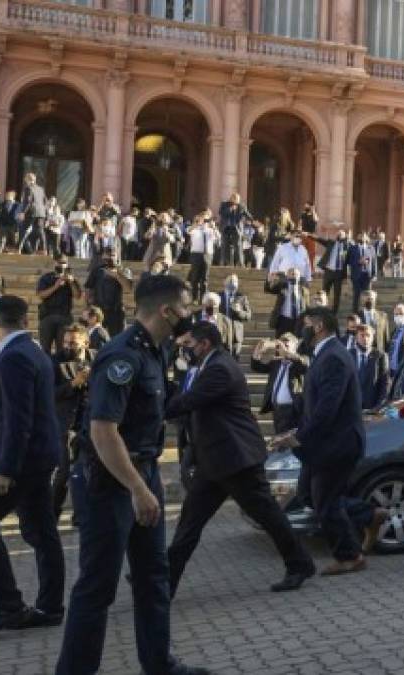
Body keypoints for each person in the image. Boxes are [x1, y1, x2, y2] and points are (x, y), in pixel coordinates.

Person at [56, 274, 209, 674]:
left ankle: (159, 664)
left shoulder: (155, 350)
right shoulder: (121, 355)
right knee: (98, 587)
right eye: (187, 306)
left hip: (142, 473)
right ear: (167, 311)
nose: (190, 314)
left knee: (153, 577)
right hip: (110, 482)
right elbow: (102, 432)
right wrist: (139, 490)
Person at [165, 321, 316, 595]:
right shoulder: (213, 364)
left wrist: (156, 408)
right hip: (216, 460)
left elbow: (188, 402)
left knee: (269, 515)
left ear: (205, 344)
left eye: (190, 345)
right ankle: (165, 579)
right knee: (190, 521)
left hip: (236, 459)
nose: (187, 350)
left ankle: (299, 564)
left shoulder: (220, 368)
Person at [0, 295, 65, 637]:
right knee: (42, 531)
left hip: (23, 463)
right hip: (38, 458)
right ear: (26, 320)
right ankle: (51, 607)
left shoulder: (11, 358)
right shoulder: (34, 352)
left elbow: (16, 421)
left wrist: (4, 470)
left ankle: (8, 605)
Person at [271, 306, 368, 576]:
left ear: (319, 326)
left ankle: (350, 556)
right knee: (308, 495)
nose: (302, 329)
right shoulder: (324, 353)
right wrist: (292, 432)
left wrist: (297, 437)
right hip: (322, 444)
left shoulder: (334, 357)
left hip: (337, 444)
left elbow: (327, 408)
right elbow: (314, 405)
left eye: (306, 323)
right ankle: (368, 514)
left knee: (326, 502)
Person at [51, 324, 92, 517]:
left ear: (86, 342)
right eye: (66, 342)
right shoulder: (54, 361)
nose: (68, 346)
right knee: (63, 473)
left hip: (90, 424)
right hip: (64, 424)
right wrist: (73, 384)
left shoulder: (97, 359)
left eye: (73, 343)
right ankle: (52, 512)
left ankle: (81, 513)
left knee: (86, 470)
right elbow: (49, 394)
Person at [252, 335, 306, 436]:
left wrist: (287, 354)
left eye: (287, 344)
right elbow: (257, 367)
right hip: (277, 410)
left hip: (292, 410)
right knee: (280, 441)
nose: (283, 348)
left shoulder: (298, 362)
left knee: (291, 442)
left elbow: (305, 365)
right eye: (281, 345)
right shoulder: (276, 362)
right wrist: (258, 350)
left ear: (295, 346)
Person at [36, 254, 82, 355]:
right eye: (59, 262)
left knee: (63, 349)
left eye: (64, 263)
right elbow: (41, 295)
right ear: (54, 263)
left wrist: (71, 283)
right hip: (47, 316)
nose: (61, 265)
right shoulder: (46, 278)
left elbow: (77, 296)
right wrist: (56, 286)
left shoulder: (72, 279)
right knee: (44, 349)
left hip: (64, 317)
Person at [84, 248, 133, 336]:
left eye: (112, 255)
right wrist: (88, 305)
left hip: (116, 311)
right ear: (103, 257)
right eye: (107, 255)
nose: (110, 258)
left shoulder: (124, 270)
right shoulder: (97, 271)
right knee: (97, 339)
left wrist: (117, 275)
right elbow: (88, 288)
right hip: (99, 311)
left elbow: (128, 288)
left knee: (118, 340)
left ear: (117, 256)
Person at [349, 323, 389, 410]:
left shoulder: (380, 356)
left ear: (373, 337)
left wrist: (379, 405)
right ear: (356, 337)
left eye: (368, 335)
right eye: (362, 335)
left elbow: (384, 383)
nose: (365, 338)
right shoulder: (348, 355)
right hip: (351, 406)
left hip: (372, 406)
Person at [311, 229, 351, 314]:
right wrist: (309, 235)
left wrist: (348, 239)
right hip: (329, 271)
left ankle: (334, 313)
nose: (340, 235)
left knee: (337, 294)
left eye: (342, 234)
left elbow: (350, 253)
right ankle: (323, 310)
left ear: (345, 236)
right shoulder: (331, 243)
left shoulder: (347, 246)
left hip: (339, 273)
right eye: (339, 234)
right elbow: (320, 240)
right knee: (324, 292)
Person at [266, 268, 310, 338]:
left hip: (299, 320)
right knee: (281, 341)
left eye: (296, 274)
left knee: (298, 342)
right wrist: (270, 281)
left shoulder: (304, 290)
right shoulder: (281, 286)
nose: (294, 276)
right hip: (284, 320)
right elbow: (269, 289)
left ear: (299, 276)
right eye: (292, 274)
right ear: (287, 276)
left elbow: (307, 305)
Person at [186, 216, 218, 303]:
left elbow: (217, 238)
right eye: (203, 220)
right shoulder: (195, 230)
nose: (204, 222)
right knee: (195, 277)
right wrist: (196, 224)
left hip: (207, 255)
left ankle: (203, 299)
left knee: (205, 278)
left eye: (206, 221)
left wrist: (214, 227)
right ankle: (194, 298)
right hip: (196, 254)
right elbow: (188, 231)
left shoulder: (210, 230)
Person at [219, 274, 251, 355]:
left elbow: (248, 316)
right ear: (224, 282)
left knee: (234, 362)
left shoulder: (242, 297)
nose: (232, 283)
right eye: (230, 280)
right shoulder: (217, 296)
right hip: (221, 334)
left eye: (235, 281)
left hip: (236, 336)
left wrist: (239, 311)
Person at [18, 173, 49, 254]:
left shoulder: (28, 188)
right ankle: (43, 250)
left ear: (27, 179)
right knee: (40, 231)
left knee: (23, 230)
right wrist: (46, 213)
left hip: (31, 212)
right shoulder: (41, 189)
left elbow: (28, 202)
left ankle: (19, 249)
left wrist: (22, 212)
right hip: (41, 213)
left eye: (26, 179)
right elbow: (46, 202)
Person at [218, 192, 251, 266]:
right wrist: (230, 209)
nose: (237, 201)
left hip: (236, 229)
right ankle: (225, 263)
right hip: (226, 228)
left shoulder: (241, 206)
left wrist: (252, 220)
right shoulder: (224, 204)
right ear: (232, 198)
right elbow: (221, 213)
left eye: (238, 200)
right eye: (236, 199)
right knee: (225, 246)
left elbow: (247, 214)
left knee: (238, 246)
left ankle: (241, 263)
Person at [359, 290, 390, 354]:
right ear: (362, 300)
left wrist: (386, 353)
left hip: (379, 352)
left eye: (371, 299)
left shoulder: (383, 316)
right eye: (367, 299)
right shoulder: (357, 316)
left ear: (375, 300)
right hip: (362, 352)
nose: (369, 301)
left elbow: (386, 337)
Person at [387, 303, 404, 373]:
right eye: (396, 314)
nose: (398, 316)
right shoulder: (394, 332)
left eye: (401, 314)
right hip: (391, 370)